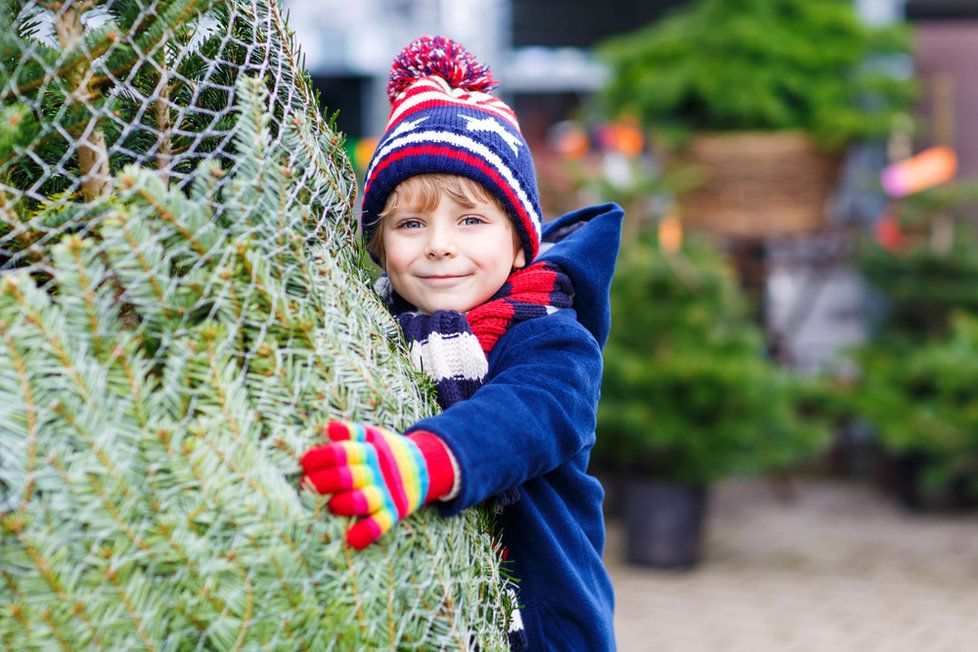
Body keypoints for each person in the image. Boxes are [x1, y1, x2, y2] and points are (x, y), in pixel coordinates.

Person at [300, 35, 621, 651]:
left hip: (542, 626)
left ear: (521, 242)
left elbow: (524, 416)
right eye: (411, 224)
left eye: (471, 220)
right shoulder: (369, 327)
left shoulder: (552, 339)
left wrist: (424, 461)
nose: (440, 245)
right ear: (378, 243)